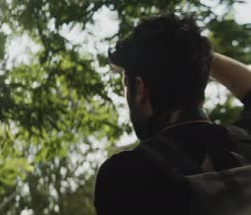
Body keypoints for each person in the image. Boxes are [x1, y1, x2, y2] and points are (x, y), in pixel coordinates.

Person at [94, 14, 251, 214]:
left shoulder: (124, 176)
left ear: (140, 88)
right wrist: (192, 56)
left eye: (125, 85)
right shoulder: (246, 140)